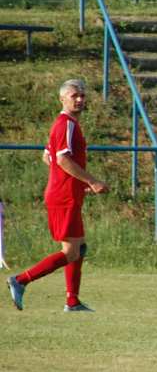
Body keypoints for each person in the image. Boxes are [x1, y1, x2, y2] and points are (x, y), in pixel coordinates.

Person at [6, 79, 108, 312]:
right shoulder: (66, 124)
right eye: (74, 95)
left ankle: (72, 301)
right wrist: (90, 180)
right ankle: (20, 280)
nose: (80, 99)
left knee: (78, 248)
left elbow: (47, 156)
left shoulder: (66, 124)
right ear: (62, 99)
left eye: (82, 95)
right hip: (63, 197)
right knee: (71, 251)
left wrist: (72, 182)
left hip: (66, 193)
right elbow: (61, 159)